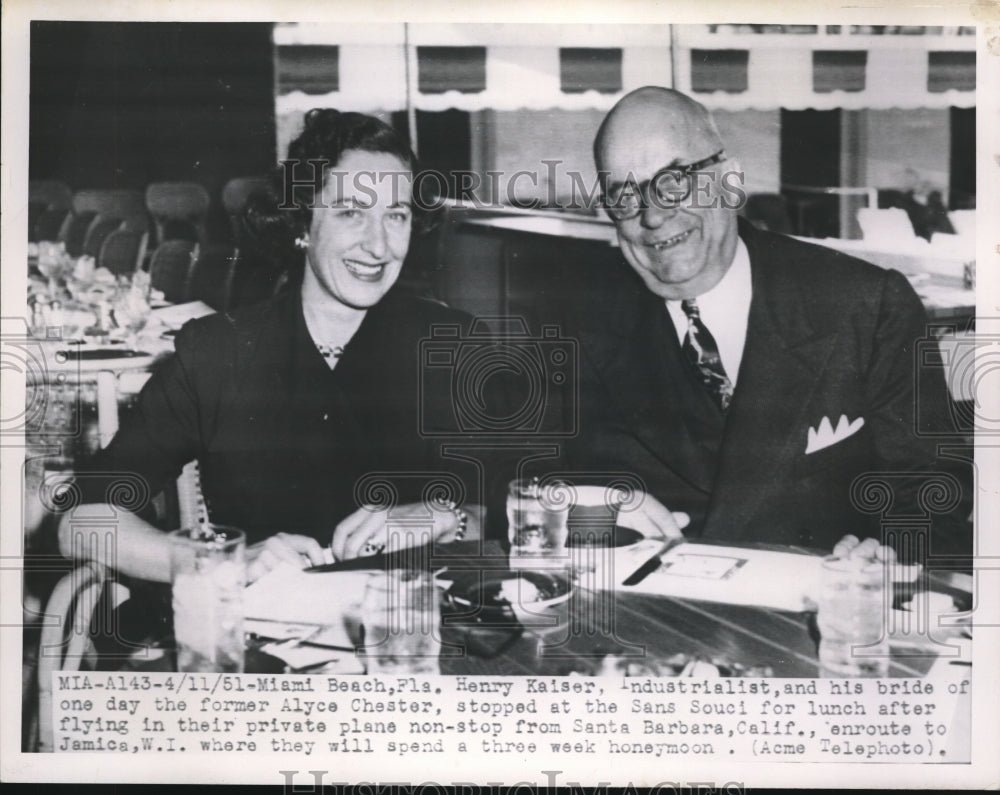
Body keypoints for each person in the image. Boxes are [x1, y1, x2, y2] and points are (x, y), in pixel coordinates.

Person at [60, 109, 481, 583]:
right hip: (262, 642)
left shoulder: (453, 344)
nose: (378, 245)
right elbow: (81, 520)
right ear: (301, 223)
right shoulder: (220, 352)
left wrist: (446, 517)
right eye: (350, 212)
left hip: (414, 633)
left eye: (396, 215)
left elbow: (516, 508)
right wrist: (224, 564)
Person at [562, 86, 972, 561]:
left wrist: (887, 555)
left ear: (730, 181)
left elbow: (932, 498)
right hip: (653, 622)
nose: (653, 216)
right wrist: (585, 512)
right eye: (624, 195)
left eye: (673, 181)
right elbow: (523, 493)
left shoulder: (865, 305)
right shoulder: (579, 329)